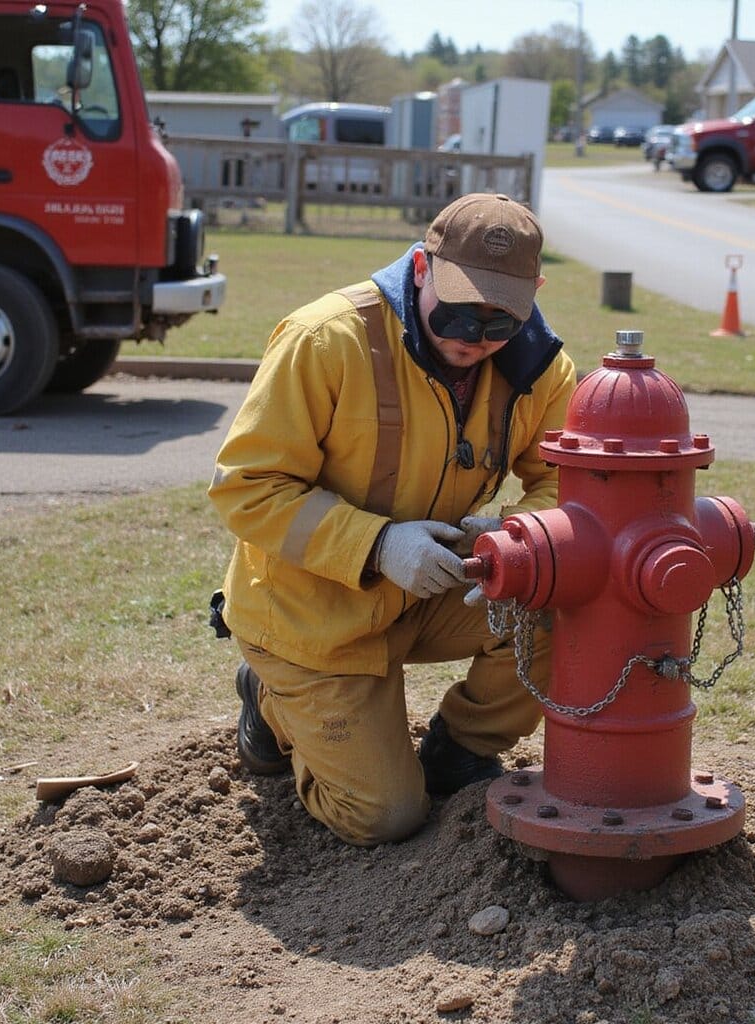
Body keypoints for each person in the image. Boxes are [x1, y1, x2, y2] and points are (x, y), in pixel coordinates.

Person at [209, 192, 576, 847]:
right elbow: (246, 487)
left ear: (535, 293)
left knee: (559, 595)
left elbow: (564, 485)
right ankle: (268, 700)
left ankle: (461, 749)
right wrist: (378, 545)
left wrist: (510, 538)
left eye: (500, 324)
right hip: (311, 620)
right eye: (460, 314)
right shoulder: (326, 339)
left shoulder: (541, 368)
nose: (476, 340)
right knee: (384, 817)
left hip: (428, 594)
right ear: (418, 269)